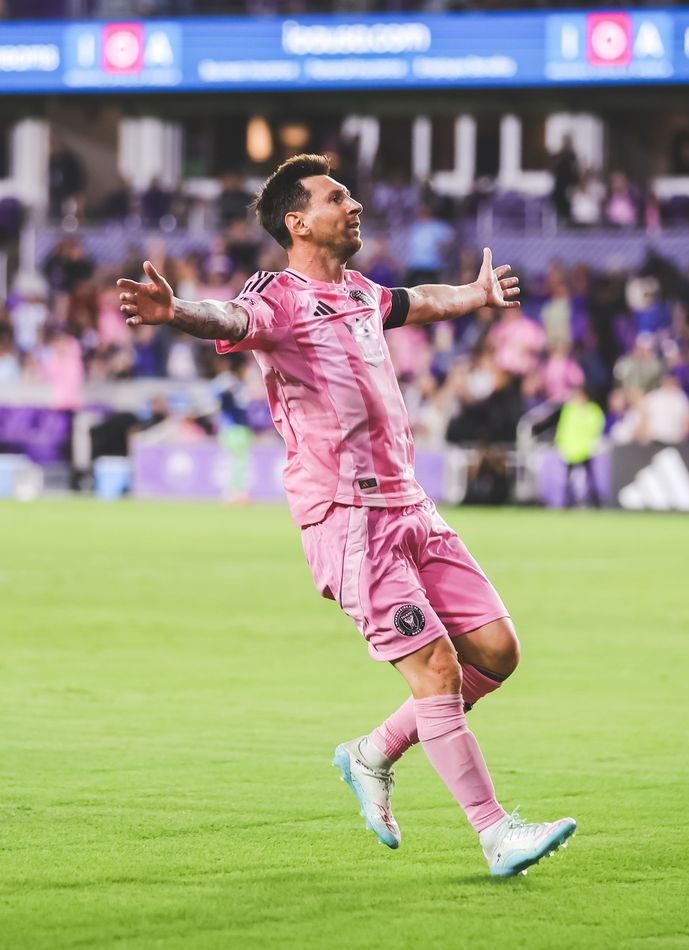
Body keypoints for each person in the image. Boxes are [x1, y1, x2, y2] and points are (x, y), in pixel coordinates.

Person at [116, 153, 576, 878]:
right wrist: (175, 312)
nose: (355, 204)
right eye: (338, 197)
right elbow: (230, 317)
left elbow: (415, 301)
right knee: (434, 670)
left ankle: (371, 754)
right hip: (350, 519)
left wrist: (476, 294)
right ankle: (495, 834)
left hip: (410, 505)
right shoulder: (279, 298)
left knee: (496, 653)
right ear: (298, 222)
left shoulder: (360, 292)